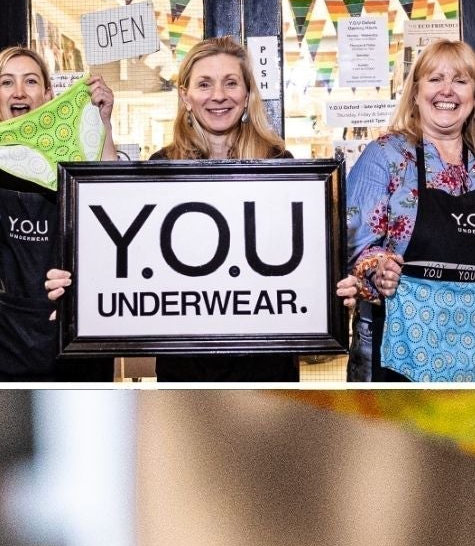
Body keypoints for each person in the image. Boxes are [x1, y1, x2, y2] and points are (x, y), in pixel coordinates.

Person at [44, 36, 358, 382]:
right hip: (185, 368)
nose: (218, 96)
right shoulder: (162, 166)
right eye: (204, 84)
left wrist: (332, 287)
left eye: (230, 83)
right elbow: (124, 248)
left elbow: (306, 261)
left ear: (247, 94)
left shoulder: (280, 166)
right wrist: (82, 289)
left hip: (265, 365)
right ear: (186, 97)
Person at [345, 39, 475, 382]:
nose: (446, 90)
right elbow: (353, 246)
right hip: (401, 351)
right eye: (435, 79)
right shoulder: (386, 157)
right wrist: (378, 270)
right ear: (416, 92)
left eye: (460, 81)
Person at [0, 46, 115, 381]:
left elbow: (113, 215)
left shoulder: (76, 157)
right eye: (7, 82)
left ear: (47, 94)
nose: (19, 92)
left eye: (30, 81)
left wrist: (102, 124)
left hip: (69, 328)